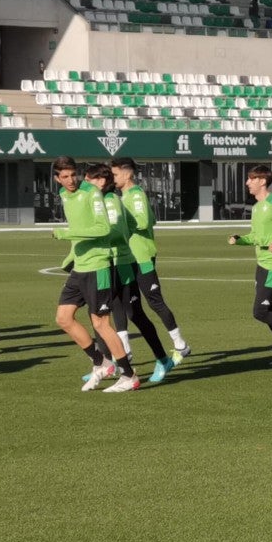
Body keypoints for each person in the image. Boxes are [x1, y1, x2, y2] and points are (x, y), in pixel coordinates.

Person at [52, 156, 140, 392]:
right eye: (65, 177)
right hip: (80, 267)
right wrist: (71, 257)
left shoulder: (91, 193)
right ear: (57, 178)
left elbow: (102, 228)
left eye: (73, 175)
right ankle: (101, 361)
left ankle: (129, 375)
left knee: (101, 324)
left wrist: (67, 233)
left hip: (99, 266)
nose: (71, 180)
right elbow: (82, 228)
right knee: (63, 318)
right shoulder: (63, 195)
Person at [92, 162, 174, 383]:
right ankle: (110, 363)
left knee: (129, 312)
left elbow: (123, 229)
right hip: (111, 262)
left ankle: (159, 357)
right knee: (109, 312)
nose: (88, 185)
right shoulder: (106, 200)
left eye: (91, 181)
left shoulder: (115, 200)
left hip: (124, 262)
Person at [111, 157, 191, 363]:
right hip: (127, 259)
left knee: (155, 301)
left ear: (127, 174)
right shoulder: (123, 196)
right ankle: (125, 350)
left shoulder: (135, 195)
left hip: (142, 258)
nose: (113, 178)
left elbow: (144, 221)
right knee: (124, 304)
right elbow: (153, 219)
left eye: (115, 174)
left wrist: (119, 223)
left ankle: (180, 343)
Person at [228, 164, 272, 360]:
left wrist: (267, 241)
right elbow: (255, 236)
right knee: (267, 309)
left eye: (251, 178)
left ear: (262, 181)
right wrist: (240, 239)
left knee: (260, 311)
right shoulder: (257, 207)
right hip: (262, 264)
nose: (247, 182)